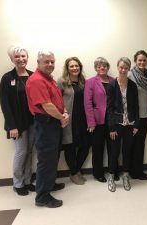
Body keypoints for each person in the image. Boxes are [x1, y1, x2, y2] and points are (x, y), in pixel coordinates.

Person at [26, 50, 69, 208]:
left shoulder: (49, 78)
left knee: (53, 157)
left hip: (53, 122)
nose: (50, 64)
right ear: (38, 62)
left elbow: (56, 100)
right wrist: (62, 117)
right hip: (45, 124)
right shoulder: (37, 80)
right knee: (46, 160)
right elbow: (47, 106)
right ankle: (42, 196)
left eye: (52, 61)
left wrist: (63, 112)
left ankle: (49, 185)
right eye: (47, 62)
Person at [0, 46, 35, 196]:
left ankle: (27, 181)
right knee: (21, 152)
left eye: (23, 56)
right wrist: (12, 126)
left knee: (30, 151)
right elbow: (5, 104)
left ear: (27, 57)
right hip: (17, 124)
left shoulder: (33, 76)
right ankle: (18, 183)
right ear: (12, 59)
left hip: (33, 121)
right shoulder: (7, 78)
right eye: (17, 57)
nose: (21, 59)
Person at [106, 57, 139, 192]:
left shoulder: (132, 85)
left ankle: (126, 175)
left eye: (126, 67)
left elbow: (136, 106)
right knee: (114, 152)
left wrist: (136, 124)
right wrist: (112, 127)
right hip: (117, 124)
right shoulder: (112, 85)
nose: (123, 70)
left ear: (129, 68)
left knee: (127, 150)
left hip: (130, 124)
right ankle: (111, 176)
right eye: (121, 67)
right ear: (118, 67)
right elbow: (109, 109)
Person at [57, 57, 90, 185]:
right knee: (70, 146)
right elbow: (57, 100)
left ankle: (75, 171)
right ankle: (74, 173)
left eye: (77, 66)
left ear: (80, 67)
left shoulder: (83, 82)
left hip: (83, 119)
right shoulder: (61, 82)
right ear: (67, 68)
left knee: (85, 146)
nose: (75, 68)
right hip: (69, 120)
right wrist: (63, 113)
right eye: (72, 66)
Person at [84, 57, 116, 183]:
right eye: (98, 66)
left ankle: (113, 171)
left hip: (112, 120)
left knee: (113, 147)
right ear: (96, 68)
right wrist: (91, 122)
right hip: (97, 122)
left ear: (107, 67)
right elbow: (87, 103)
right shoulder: (90, 82)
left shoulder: (114, 81)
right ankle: (98, 173)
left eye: (104, 65)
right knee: (98, 149)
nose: (101, 68)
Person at [128, 50, 147, 180]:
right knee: (131, 144)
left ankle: (138, 170)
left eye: (144, 60)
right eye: (139, 60)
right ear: (135, 61)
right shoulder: (130, 75)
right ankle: (131, 171)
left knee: (140, 144)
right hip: (133, 117)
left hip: (144, 116)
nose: (142, 62)